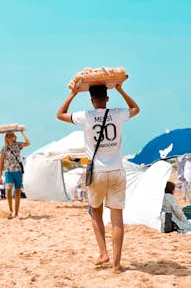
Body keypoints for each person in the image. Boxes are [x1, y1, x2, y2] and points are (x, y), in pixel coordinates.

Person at [56, 83, 140, 274]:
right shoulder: (118, 114)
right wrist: (120, 89)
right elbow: (136, 109)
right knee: (117, 219)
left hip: (97, 172)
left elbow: (60, 114)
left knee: (96, 213)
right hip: (117, 170)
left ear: (92, 99)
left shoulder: (86, 116)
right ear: (107, 98)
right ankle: (116, 266)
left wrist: (73, 93)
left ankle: (103, 253)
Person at [0, 130, 30, 219]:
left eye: (12, 135)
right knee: (8, 188)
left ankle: (16, 213)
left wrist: (22, 132)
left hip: (18, 171)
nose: (11, 136)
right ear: (6, 138)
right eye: (9, 135)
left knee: (17, 191)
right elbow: (1, 163)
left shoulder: (18, 145)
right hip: (8, 171)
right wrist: (0, 176)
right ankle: (10, 210)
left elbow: (28, 143)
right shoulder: (4, 149)